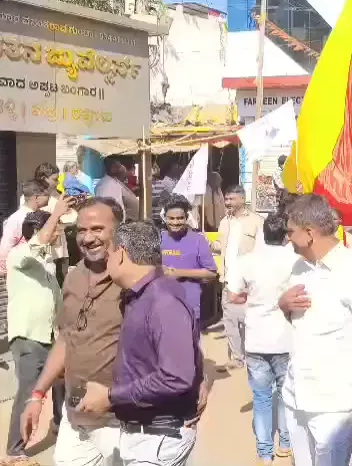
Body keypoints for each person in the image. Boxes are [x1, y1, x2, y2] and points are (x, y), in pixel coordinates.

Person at [20, 198, 208, 466]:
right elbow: (67, 337)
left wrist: (199, 378)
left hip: (121, 421)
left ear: (119, 232)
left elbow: (178, 338)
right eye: (82, 230)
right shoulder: (73, 277)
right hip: (77, 418)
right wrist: (37, 394)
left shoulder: (140, 280)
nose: (87, 238)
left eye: (97, 229)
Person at [277, 194, 352, 466]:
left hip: (335, 403)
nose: (287, 238)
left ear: (309, 233)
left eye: (291, 232)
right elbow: (299, 322)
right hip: (297, 395)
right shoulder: (298, 267)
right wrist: (283, 305)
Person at [75, 221, 201, 466]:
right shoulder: (141, 296)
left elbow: (176, 376)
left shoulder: (163, 300)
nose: (107, 263)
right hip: (145, 436)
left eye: (110, 255)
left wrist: (110, 397)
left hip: (157, 437)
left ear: (121, 254)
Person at [3, 199, 71, 465]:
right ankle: (15, 450)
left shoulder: (47, 264)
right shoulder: (19, 255)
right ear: (36, 231)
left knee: (62, 384)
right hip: (29, 338)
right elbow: (38, 242)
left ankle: (60, 427)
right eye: (54, 230)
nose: (57, 235)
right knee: (29, 392)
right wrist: (55, 213)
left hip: (51, 336)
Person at [227, 213, 298, 464]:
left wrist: (251, 298)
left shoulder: (247, 261)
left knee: (261, 397)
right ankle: (285, 445)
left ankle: (265, 452)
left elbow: (233, 296)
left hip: (256, 337)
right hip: (286, 338)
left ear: (263, 234)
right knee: (286, 395)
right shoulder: (295, 260)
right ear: (286, 235)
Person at [217, 185, 265, 371]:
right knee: (230, 320)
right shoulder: (224, 222)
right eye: (226, 199)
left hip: (248, 281)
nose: (228, 202)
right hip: (228, 278)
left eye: (231, 199)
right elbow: (221, 246)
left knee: (249, 321)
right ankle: (237, 358)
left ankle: (253, 356)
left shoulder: (257, 222)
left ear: (242, 199)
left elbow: (262, 250)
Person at [160, 194, 218, 323]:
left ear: (186, 217)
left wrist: (178, 273)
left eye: (180, 218)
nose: (175, 222)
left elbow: (212, 273)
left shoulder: (198, 240)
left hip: (190, 307)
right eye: (171, 218)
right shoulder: (158, 239)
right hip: (161, 305)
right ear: (164, 218)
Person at [0, 180, 51, 275]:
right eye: (47, 195)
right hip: (21, 270)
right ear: (36, 197)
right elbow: (6, 246)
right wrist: (4, 272)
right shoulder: (17, 218)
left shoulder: (40, 215)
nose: (49, 198)